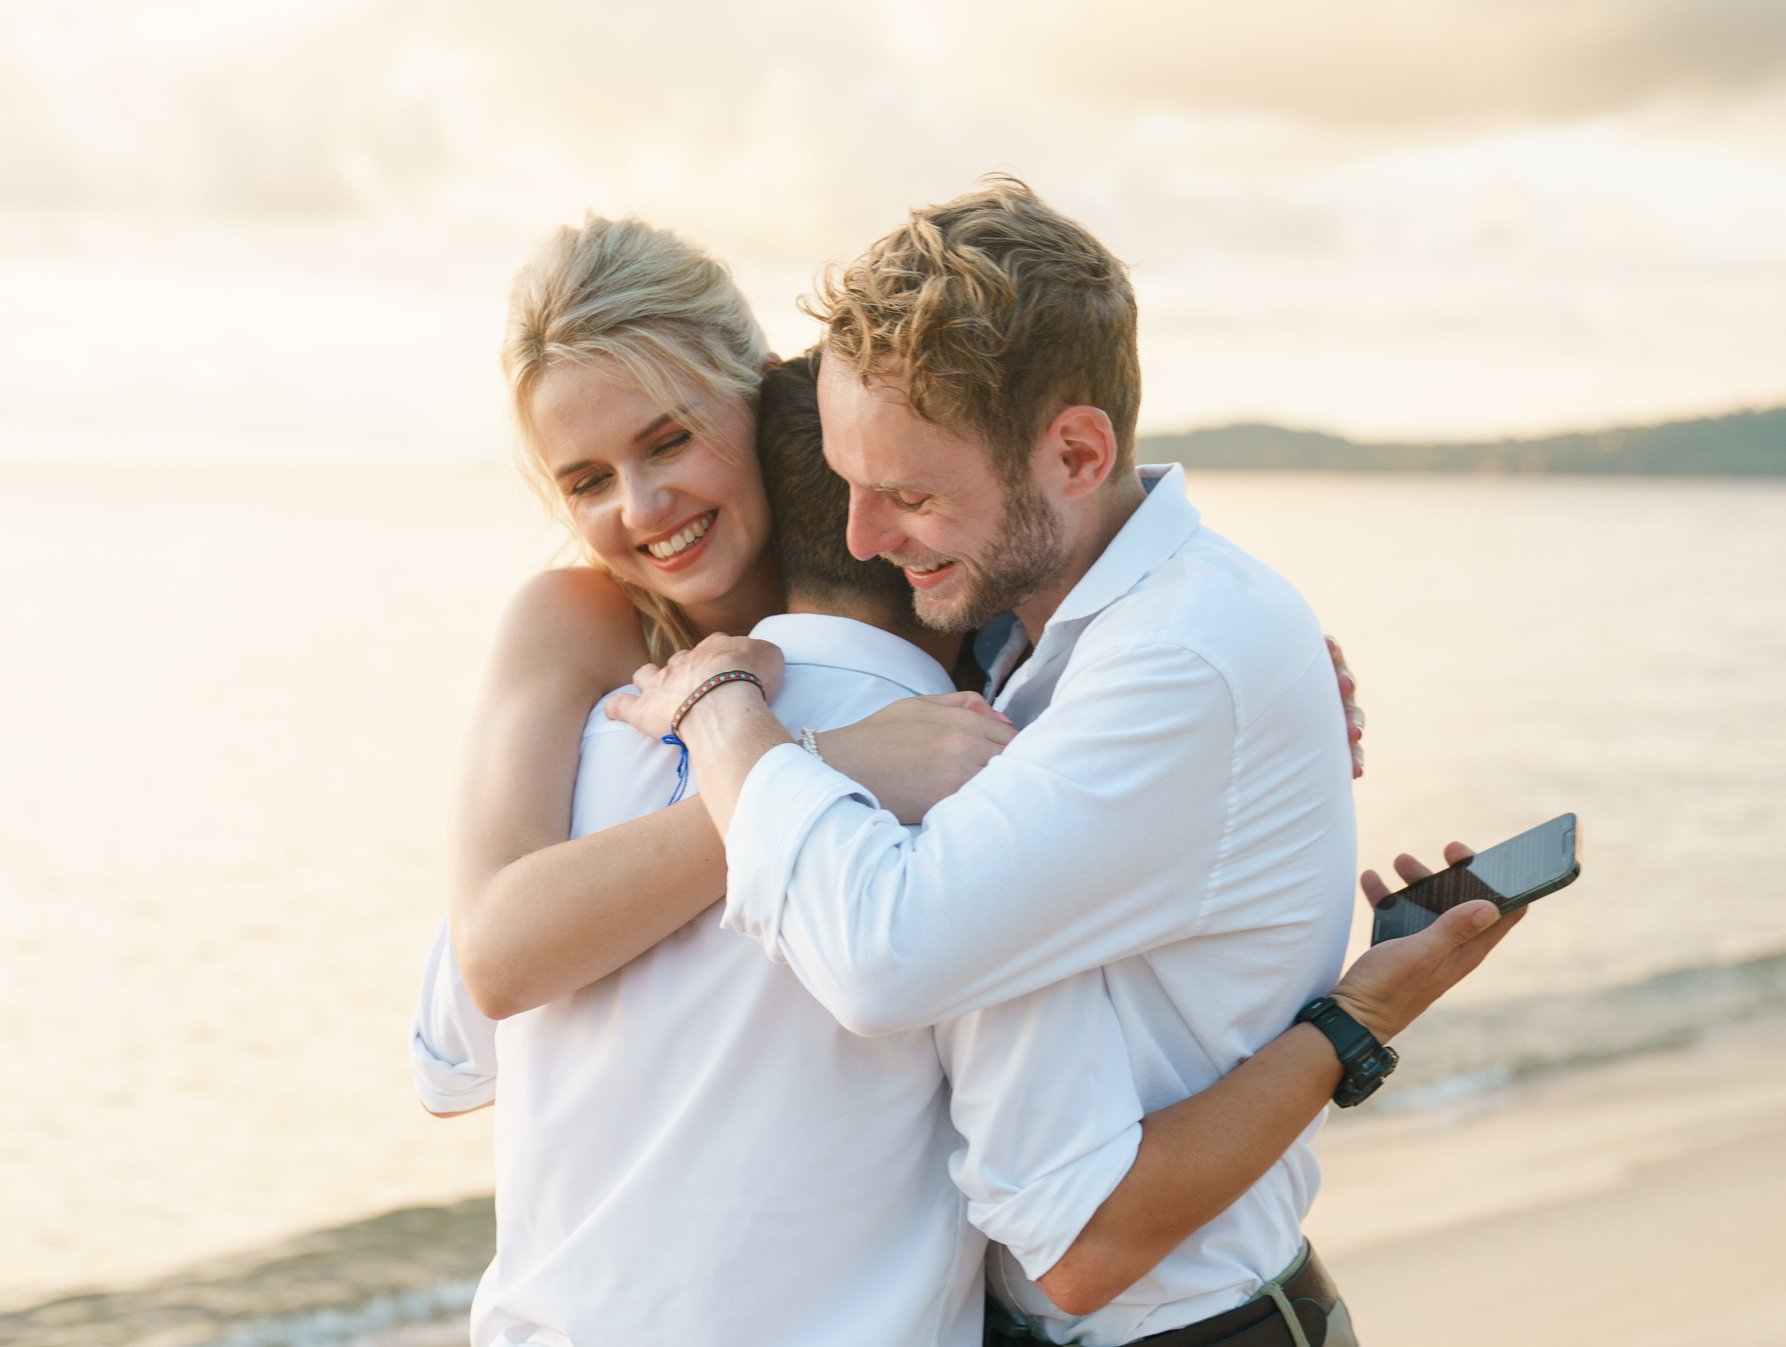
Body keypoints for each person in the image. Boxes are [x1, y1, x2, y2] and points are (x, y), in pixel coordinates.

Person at [419, 351, 1514, 1347]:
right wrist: (1359, 1017)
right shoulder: (975, 802)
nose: (647, 506)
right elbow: (1083, 1232)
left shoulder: (588, 759)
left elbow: (448, 1044)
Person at [444, 215, 1366, 1031]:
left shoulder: (948, 587)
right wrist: (822, 761)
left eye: (670, 439)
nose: (644, 506)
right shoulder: (578, 618)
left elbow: (1066, 524)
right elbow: (493, 958)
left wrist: (1266, 694)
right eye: (588, 482)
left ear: (766, 396)